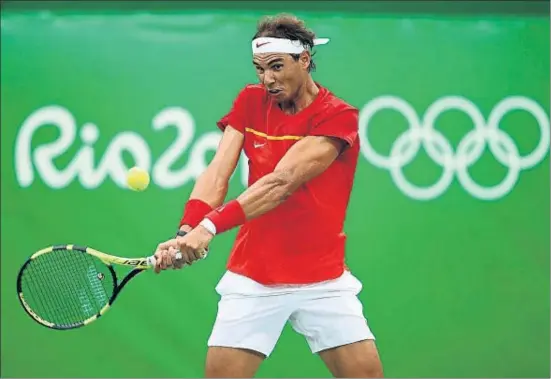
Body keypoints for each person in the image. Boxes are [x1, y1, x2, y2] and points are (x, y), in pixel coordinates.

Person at [153, 13, 384, 378]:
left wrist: (209, 228)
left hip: (323, 279)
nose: (268, 79)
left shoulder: (337, 116)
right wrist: (186, 232)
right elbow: (217, 173)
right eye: (260, 69)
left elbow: (281, 184)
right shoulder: (250, 100)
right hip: (255, 277)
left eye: (277, 67)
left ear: (304, 60)